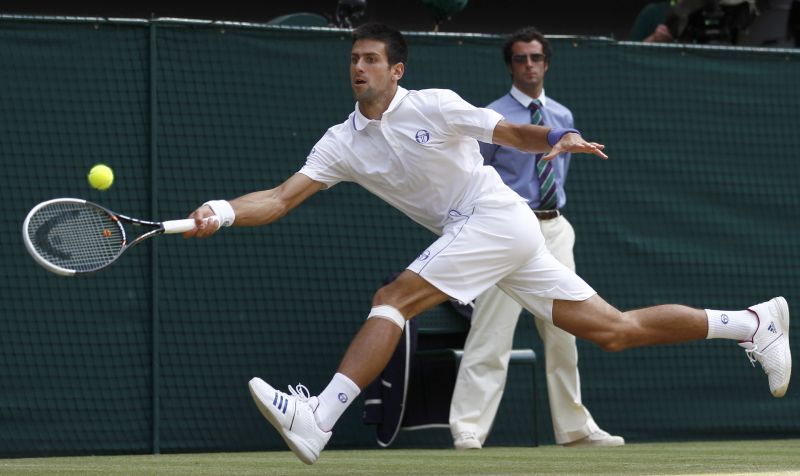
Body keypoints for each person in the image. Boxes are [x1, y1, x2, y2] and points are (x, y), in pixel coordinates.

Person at [183, 23, 791, 465]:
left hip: (494, 217)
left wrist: (561, 135)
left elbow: (510, 132)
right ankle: (750, 323)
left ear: (397, 70)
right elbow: (281, 197)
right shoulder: (340, 142)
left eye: (371, 59)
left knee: (393, 296)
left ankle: (320, 416)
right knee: (614, 330)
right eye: (354, 60)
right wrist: (222, 210)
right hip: (489, 235)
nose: (359, 68)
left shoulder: (436, 106)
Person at [449, 27, 623, 451]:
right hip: (504, 231)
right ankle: (467, 428)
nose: (529, 65)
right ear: (511, 66)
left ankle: (575, 429)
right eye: (521, 58)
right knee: (491, 332)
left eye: (536, 58)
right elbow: (474, 177)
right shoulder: (493, 116)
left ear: (546, 63)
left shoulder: (562, 117)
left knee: (566, 331)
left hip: (555, 229)